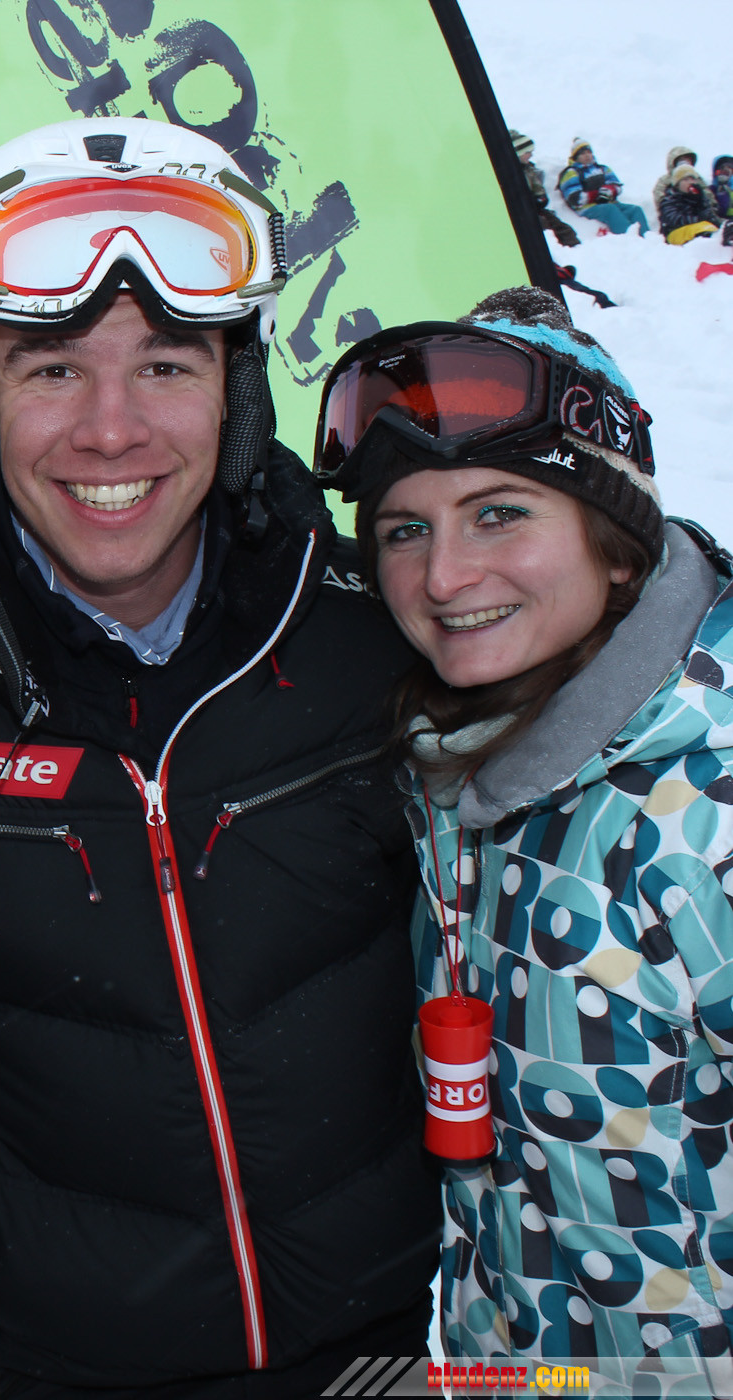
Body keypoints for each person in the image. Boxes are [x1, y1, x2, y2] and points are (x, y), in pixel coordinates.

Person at [0, 116, 440, 1397]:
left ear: (237, 386)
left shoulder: (368, 622)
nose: (112, 430)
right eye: (52, 368)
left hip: (387, 1339)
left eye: (167, 365)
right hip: (57, 1357)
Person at [313, 285, 733, 1392]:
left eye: (500, 512)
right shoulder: (449, 763)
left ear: (617, 546)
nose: (444, 576)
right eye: (405, 529)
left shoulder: (709, 794)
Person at [510, 129, 580, 248]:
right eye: (527, 152)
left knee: (563, 228)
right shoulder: (510, 173)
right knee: (543, 227)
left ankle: (575, 248)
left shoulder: (529, 169)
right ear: (518, 152)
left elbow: (537, 188)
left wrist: (540, 197)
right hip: (520, 212)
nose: (531, 155)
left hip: (534, 208)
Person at [657, 162, 720, 244]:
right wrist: (698, 219)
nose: (690, 182)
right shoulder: (670, 200)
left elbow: (709, 215)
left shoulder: (700, 198)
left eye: (693, 179)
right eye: (686, 180)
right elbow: (674, 219)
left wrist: (699, 200)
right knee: (703, 231)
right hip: (675, 233)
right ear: (677, 184)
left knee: (715, 232)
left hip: (701, 228)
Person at [579, 171, 650, 237]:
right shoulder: (575, 172)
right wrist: (597, 194)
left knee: (635, 210)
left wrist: (609, 190)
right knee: (610, 209)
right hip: (588, 208)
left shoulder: (603, 168)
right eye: (582, 156)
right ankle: (628, 238)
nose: (587, 158)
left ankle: (645, 239)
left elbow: (617, 186)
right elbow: (576, 197)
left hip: (611, 204)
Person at [651, 142, 701, 219]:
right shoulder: (665, 181)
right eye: (682, 161)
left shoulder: (697, 179)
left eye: (688, 161)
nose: (684, 164)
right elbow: (661, 203)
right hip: (676, 217)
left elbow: (708, 200)